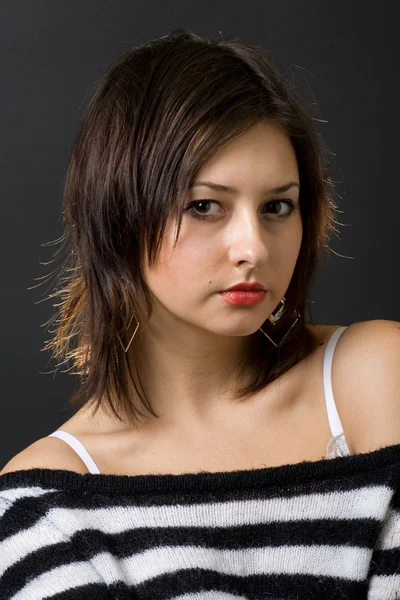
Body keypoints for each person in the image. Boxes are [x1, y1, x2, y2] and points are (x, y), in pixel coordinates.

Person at [0, 29, 399, 599]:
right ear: (118, 211)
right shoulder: (45, 504)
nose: (253, 248)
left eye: (277, 206)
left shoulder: (376, 380)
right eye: (205, 205)